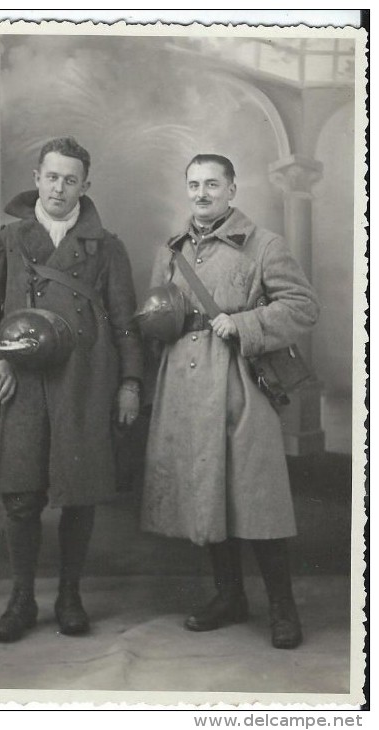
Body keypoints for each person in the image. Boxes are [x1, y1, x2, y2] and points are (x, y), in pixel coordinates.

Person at [0, 136, 143, 643]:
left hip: (85, 382)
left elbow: (127, 323)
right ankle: (21, 599)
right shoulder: (7, 240)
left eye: (70, 179)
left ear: (85, 185)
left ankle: (70, 595)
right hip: (23, 383)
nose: (59, 188)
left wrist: (130, 383)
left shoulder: (107, 248)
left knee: (78, 495)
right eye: (51, 177)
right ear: (37, 178)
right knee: (21, 496)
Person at [140, 154, 319, 649]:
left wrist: (243, 325)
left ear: (232, 190)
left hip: (240, 380)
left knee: (256, 496)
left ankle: (283, 608)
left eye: (212, 185)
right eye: (194, 184)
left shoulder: (264, 245)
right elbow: (161, 313)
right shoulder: (171, 251)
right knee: (207, 493)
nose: (202, 194)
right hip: (185, 386)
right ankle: (229, 597)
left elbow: (304, 307)